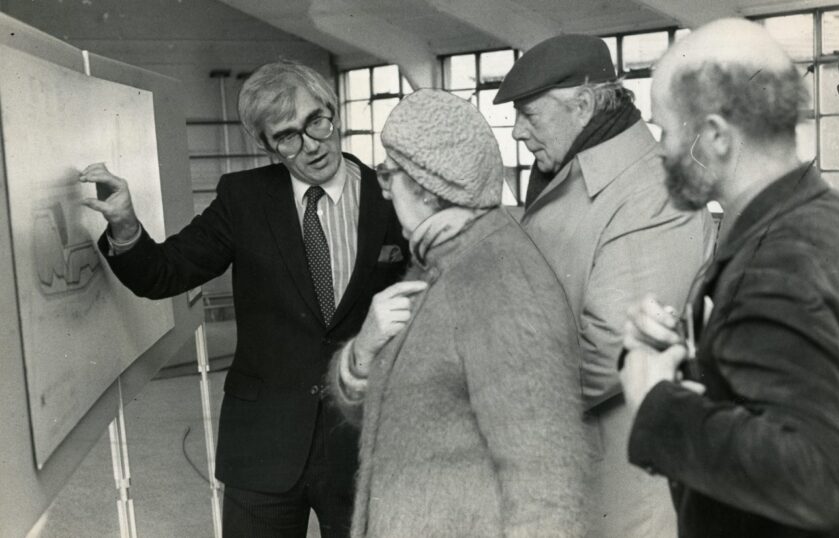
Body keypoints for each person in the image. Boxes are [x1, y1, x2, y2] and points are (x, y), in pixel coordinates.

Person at [79, 60, 408, 537]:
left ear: (333, 111)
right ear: (266, 145)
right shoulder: (244, 198)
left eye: (317, 121)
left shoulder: (392, 196)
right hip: (262, 448)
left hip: (365, 441)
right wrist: (126, 226)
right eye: (288, 136)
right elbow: (163, 273)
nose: (312, 145)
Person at [619, 18, 839, 537]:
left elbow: (820, 479)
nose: (660, 151)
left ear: (716, 137)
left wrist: (660, 403)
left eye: (665, 129)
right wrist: (686, 357)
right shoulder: (838, 224)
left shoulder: (779, 258)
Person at [328, 89, 590, 538]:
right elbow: (397, 417)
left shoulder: (499, 280)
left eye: (390, 174)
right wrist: (362, 354)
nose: (385, 190)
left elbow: (546, 479)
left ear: (428, 190)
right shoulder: (439, 257)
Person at [492, 34, 714, 537]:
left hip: (623, 473)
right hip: (570, 459)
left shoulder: (656, 192)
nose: (519, 133)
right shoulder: (572, 173)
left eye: (531, 115)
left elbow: (611, 347)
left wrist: (501, 402)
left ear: (585, 103)